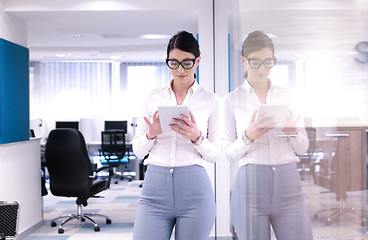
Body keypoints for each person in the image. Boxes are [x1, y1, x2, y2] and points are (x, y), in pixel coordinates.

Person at [223, 30, 314, 240]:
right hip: (250, 187)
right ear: (243, 61)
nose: (262, 69)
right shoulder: (231, 100)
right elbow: (228, 153)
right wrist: (249, 135)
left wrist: (292, 132)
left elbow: (302, 148)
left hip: (289, 183)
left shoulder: (289, 95)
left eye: (268, 62)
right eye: (255, 62)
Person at [132, 31, 220, 240]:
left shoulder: (211, 100)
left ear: (197, 61)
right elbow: (137, 151)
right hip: (154, 190)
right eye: (173, 63)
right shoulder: (152, 98)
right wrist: (152, 134)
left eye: (186, 62)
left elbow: (215, 154)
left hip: (195, 193)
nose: (180, 69)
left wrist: (196, 136)